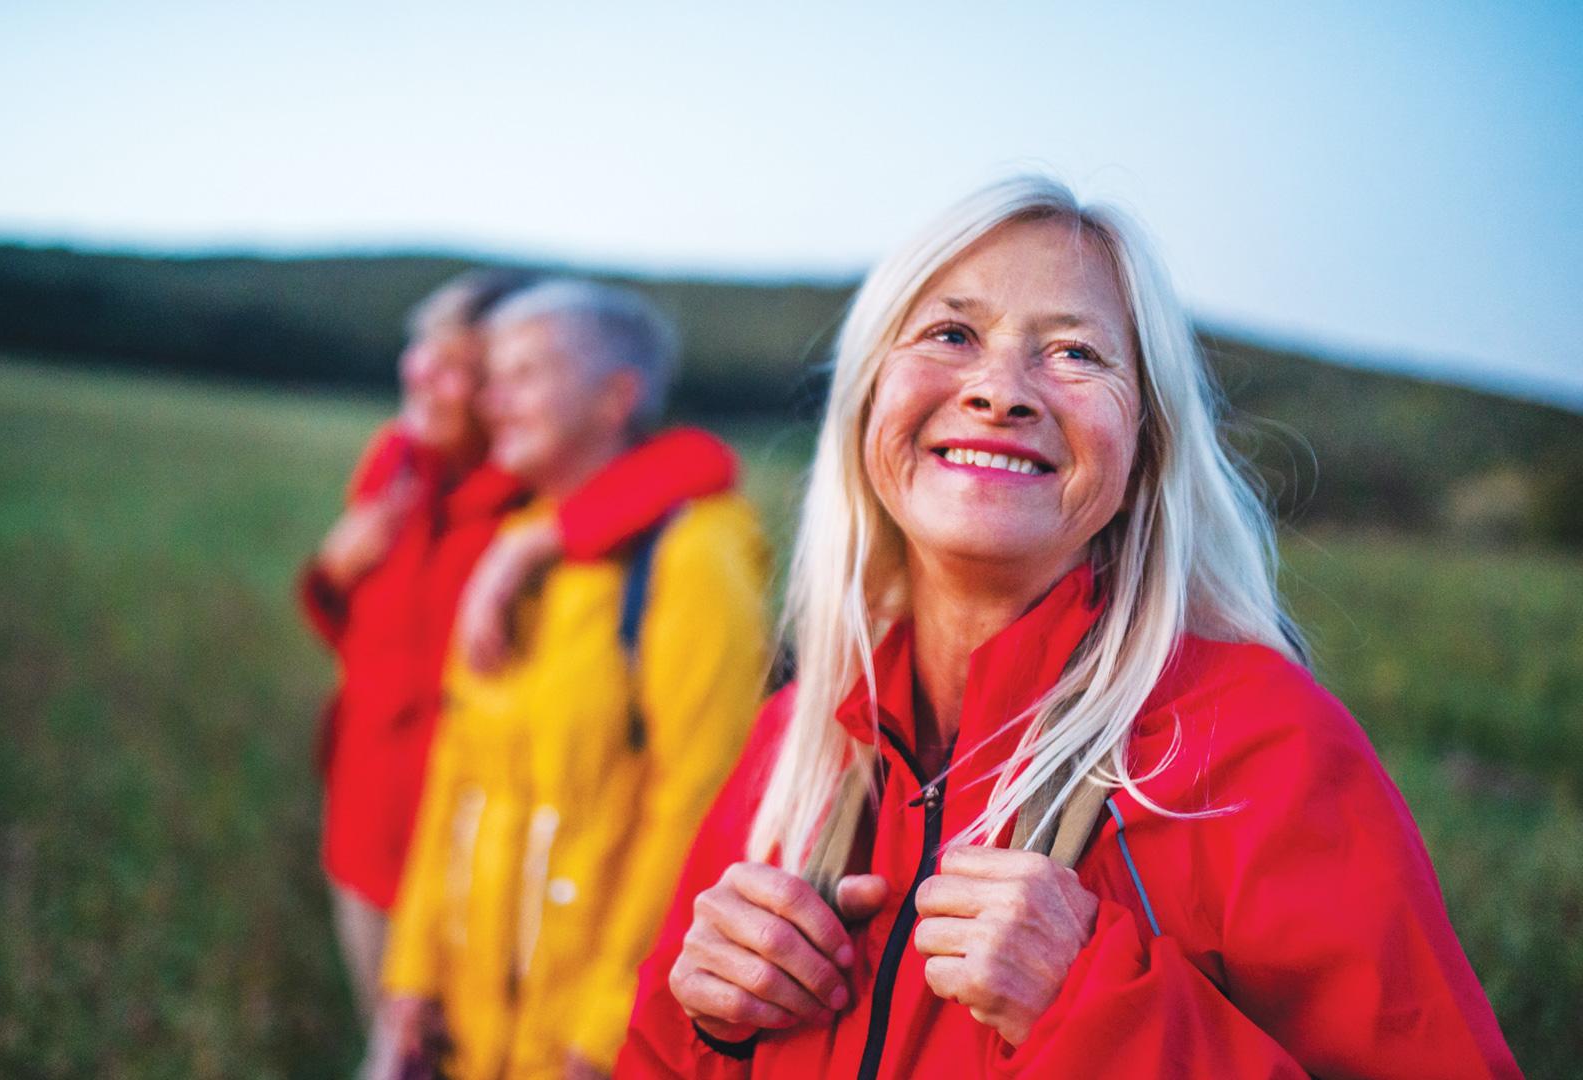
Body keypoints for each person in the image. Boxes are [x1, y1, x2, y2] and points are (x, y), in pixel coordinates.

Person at [618, 177, 1520, 1077]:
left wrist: (1104, 1015)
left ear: (1146, 447)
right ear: (866, 403)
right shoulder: (794, 742)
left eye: (1075, 354)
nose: (1000, 391)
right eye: (951, 334)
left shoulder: (1262, 749)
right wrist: (711, 1027)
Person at [297, 271, 738, 1024]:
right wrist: (332, 573)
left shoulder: (530, 495)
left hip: (478, 867)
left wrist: (542, 537)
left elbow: (699, 460)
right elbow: (365, 643)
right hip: (366, 828)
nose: (417, 376)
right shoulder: (398, 464)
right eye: (417, 351)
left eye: (455, 368)